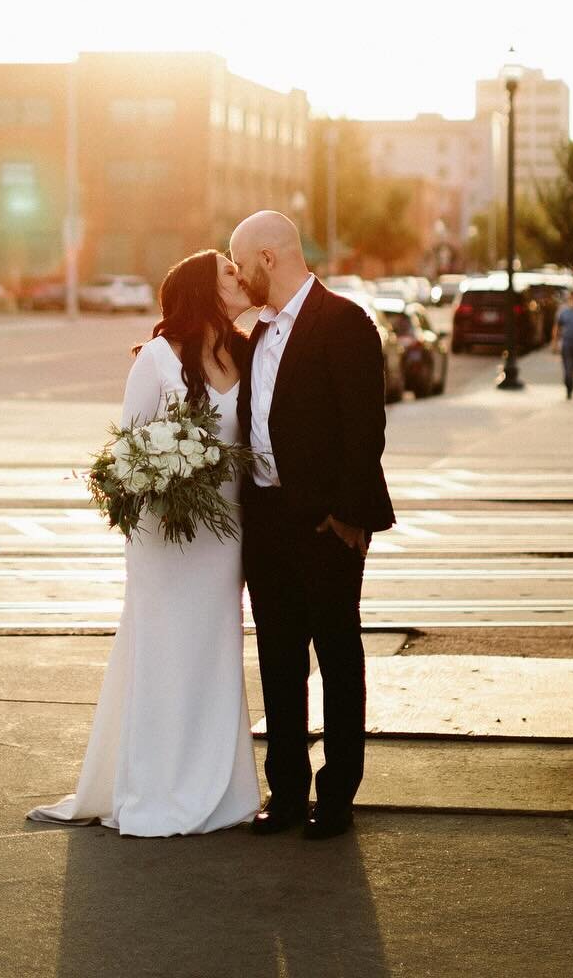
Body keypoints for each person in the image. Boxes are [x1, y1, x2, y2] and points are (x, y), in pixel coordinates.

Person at [29, 249, 259, 836]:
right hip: (166, 538)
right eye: (229, 273)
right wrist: (170, 471)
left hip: (224, 533)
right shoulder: (156, 359)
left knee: (213, 650)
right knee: (164, 649)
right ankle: (155, 785)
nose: (241, 278)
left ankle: (219, 788)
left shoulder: (243, 352)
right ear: (203, 290)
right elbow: (124, 456)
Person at [228, 211, 394, 841]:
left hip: (325, 526)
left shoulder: (344, 321)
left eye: (240, 262)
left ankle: (338, 797)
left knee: (337, 655)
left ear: (268, 257)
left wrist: (344, 517)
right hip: (266, 522)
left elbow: (365, 431)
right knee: (277, 660)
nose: (239, 276)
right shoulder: (257, 334)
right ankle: (289, 793)